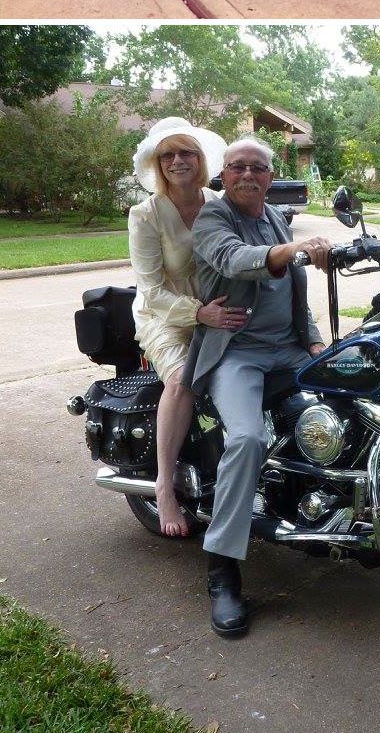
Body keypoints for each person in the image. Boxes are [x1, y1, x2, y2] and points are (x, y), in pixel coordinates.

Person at [183, 135, 332, 637]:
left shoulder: (275, 218)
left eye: (258, 168)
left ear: (271, 177)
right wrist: (292, 249)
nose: (248, 175)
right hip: (237, 352)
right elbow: (233, 258)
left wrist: (312, 342)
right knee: (246, 438)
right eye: (238, 166)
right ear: (223, 175)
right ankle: (222, 570)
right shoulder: (213, 218)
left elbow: (297, 293)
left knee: (358, 399)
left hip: (286, 350)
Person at [129, 116, 248, 538]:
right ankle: (164, 486)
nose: (178, 161)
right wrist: (199, 314)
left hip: (217, 308)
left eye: (187, 153)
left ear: (200, 160)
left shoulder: (220, 203)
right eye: (168, 155)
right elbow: (152, 288)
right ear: (158, 164)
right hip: (165, 316)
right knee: (182, 380)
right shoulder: (146, 215)